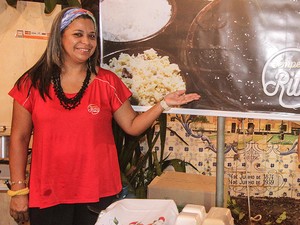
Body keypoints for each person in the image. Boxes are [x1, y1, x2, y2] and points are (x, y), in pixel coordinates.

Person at [7, 7, 200, 225]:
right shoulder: (32, 83)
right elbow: (19, 139)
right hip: (49, 196)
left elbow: (132, 126)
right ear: (59, 38)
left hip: (98, 195)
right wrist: (18, 190)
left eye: (91, 36)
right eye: (77, 34)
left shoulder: (107, 82)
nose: (86, 42)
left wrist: (164, 103)